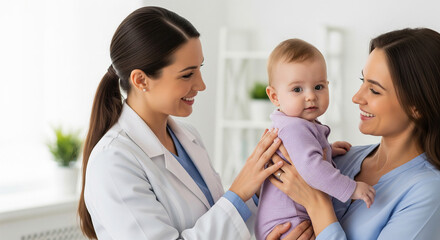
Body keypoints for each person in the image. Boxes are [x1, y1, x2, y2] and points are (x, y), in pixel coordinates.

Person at [77, 6, 313, 240]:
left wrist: (262, 185)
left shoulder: (188, 137)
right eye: (187, 74)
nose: (201, 85)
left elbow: (219, 223)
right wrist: (239, 191)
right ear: (141, 80)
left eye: (200, 68)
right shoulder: (113, 162)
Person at [269, 28, 440, 239]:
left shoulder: (428, 192)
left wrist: (317, 204)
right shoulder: (338, 158)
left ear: (417, 106)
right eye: (362, 82)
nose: (357, 97)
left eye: (375, 90)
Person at [254, 39, 376, 240]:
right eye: (297, 89)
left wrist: (326, 148)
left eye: (319, 87)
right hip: (288, 225)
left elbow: (302, 155)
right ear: (274, 96)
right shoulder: (294, 128)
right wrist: (351, 188)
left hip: (282, 221)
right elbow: (311, 169)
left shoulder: (293, 124)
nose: (311, 96)